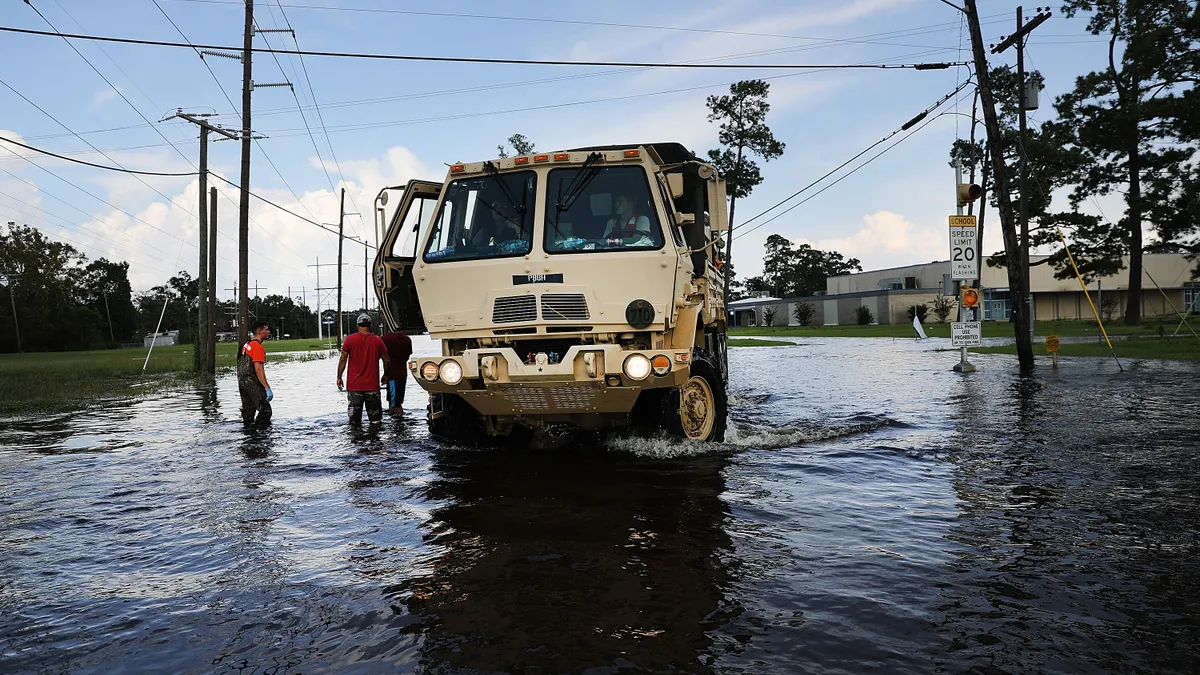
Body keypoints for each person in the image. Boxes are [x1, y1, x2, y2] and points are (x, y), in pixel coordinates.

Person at [337, 313, 390, 426]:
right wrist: (386, 375)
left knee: (354, 423)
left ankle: (356, 442)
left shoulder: (349, 340)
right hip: (372, 387)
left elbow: (343, 359)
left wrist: (339, 377)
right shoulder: (377, 340)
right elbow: (386, 360)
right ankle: (374, 441)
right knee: (376, 422)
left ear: (358, 325)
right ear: (370, 325)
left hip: (354, 386)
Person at [237, 321, 273, 426]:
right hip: (252, 382)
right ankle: (262, 437)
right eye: (266, 329)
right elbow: (258, 369)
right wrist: (267, 387)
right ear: (259, 331)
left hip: (242, 383)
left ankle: (249, 437)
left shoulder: (245, 346)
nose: (268, 331)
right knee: (265, 410)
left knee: (248, 414)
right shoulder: (257, 347)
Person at [380, 327, 413, 413]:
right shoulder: (407, 339)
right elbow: (407, 357)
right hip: (402, 373)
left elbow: (385, 360)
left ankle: (396, 423)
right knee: (397, 401)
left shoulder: (384, 339)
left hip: (392, 375)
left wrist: (386, 374)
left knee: (393, 403)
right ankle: (399, 421)